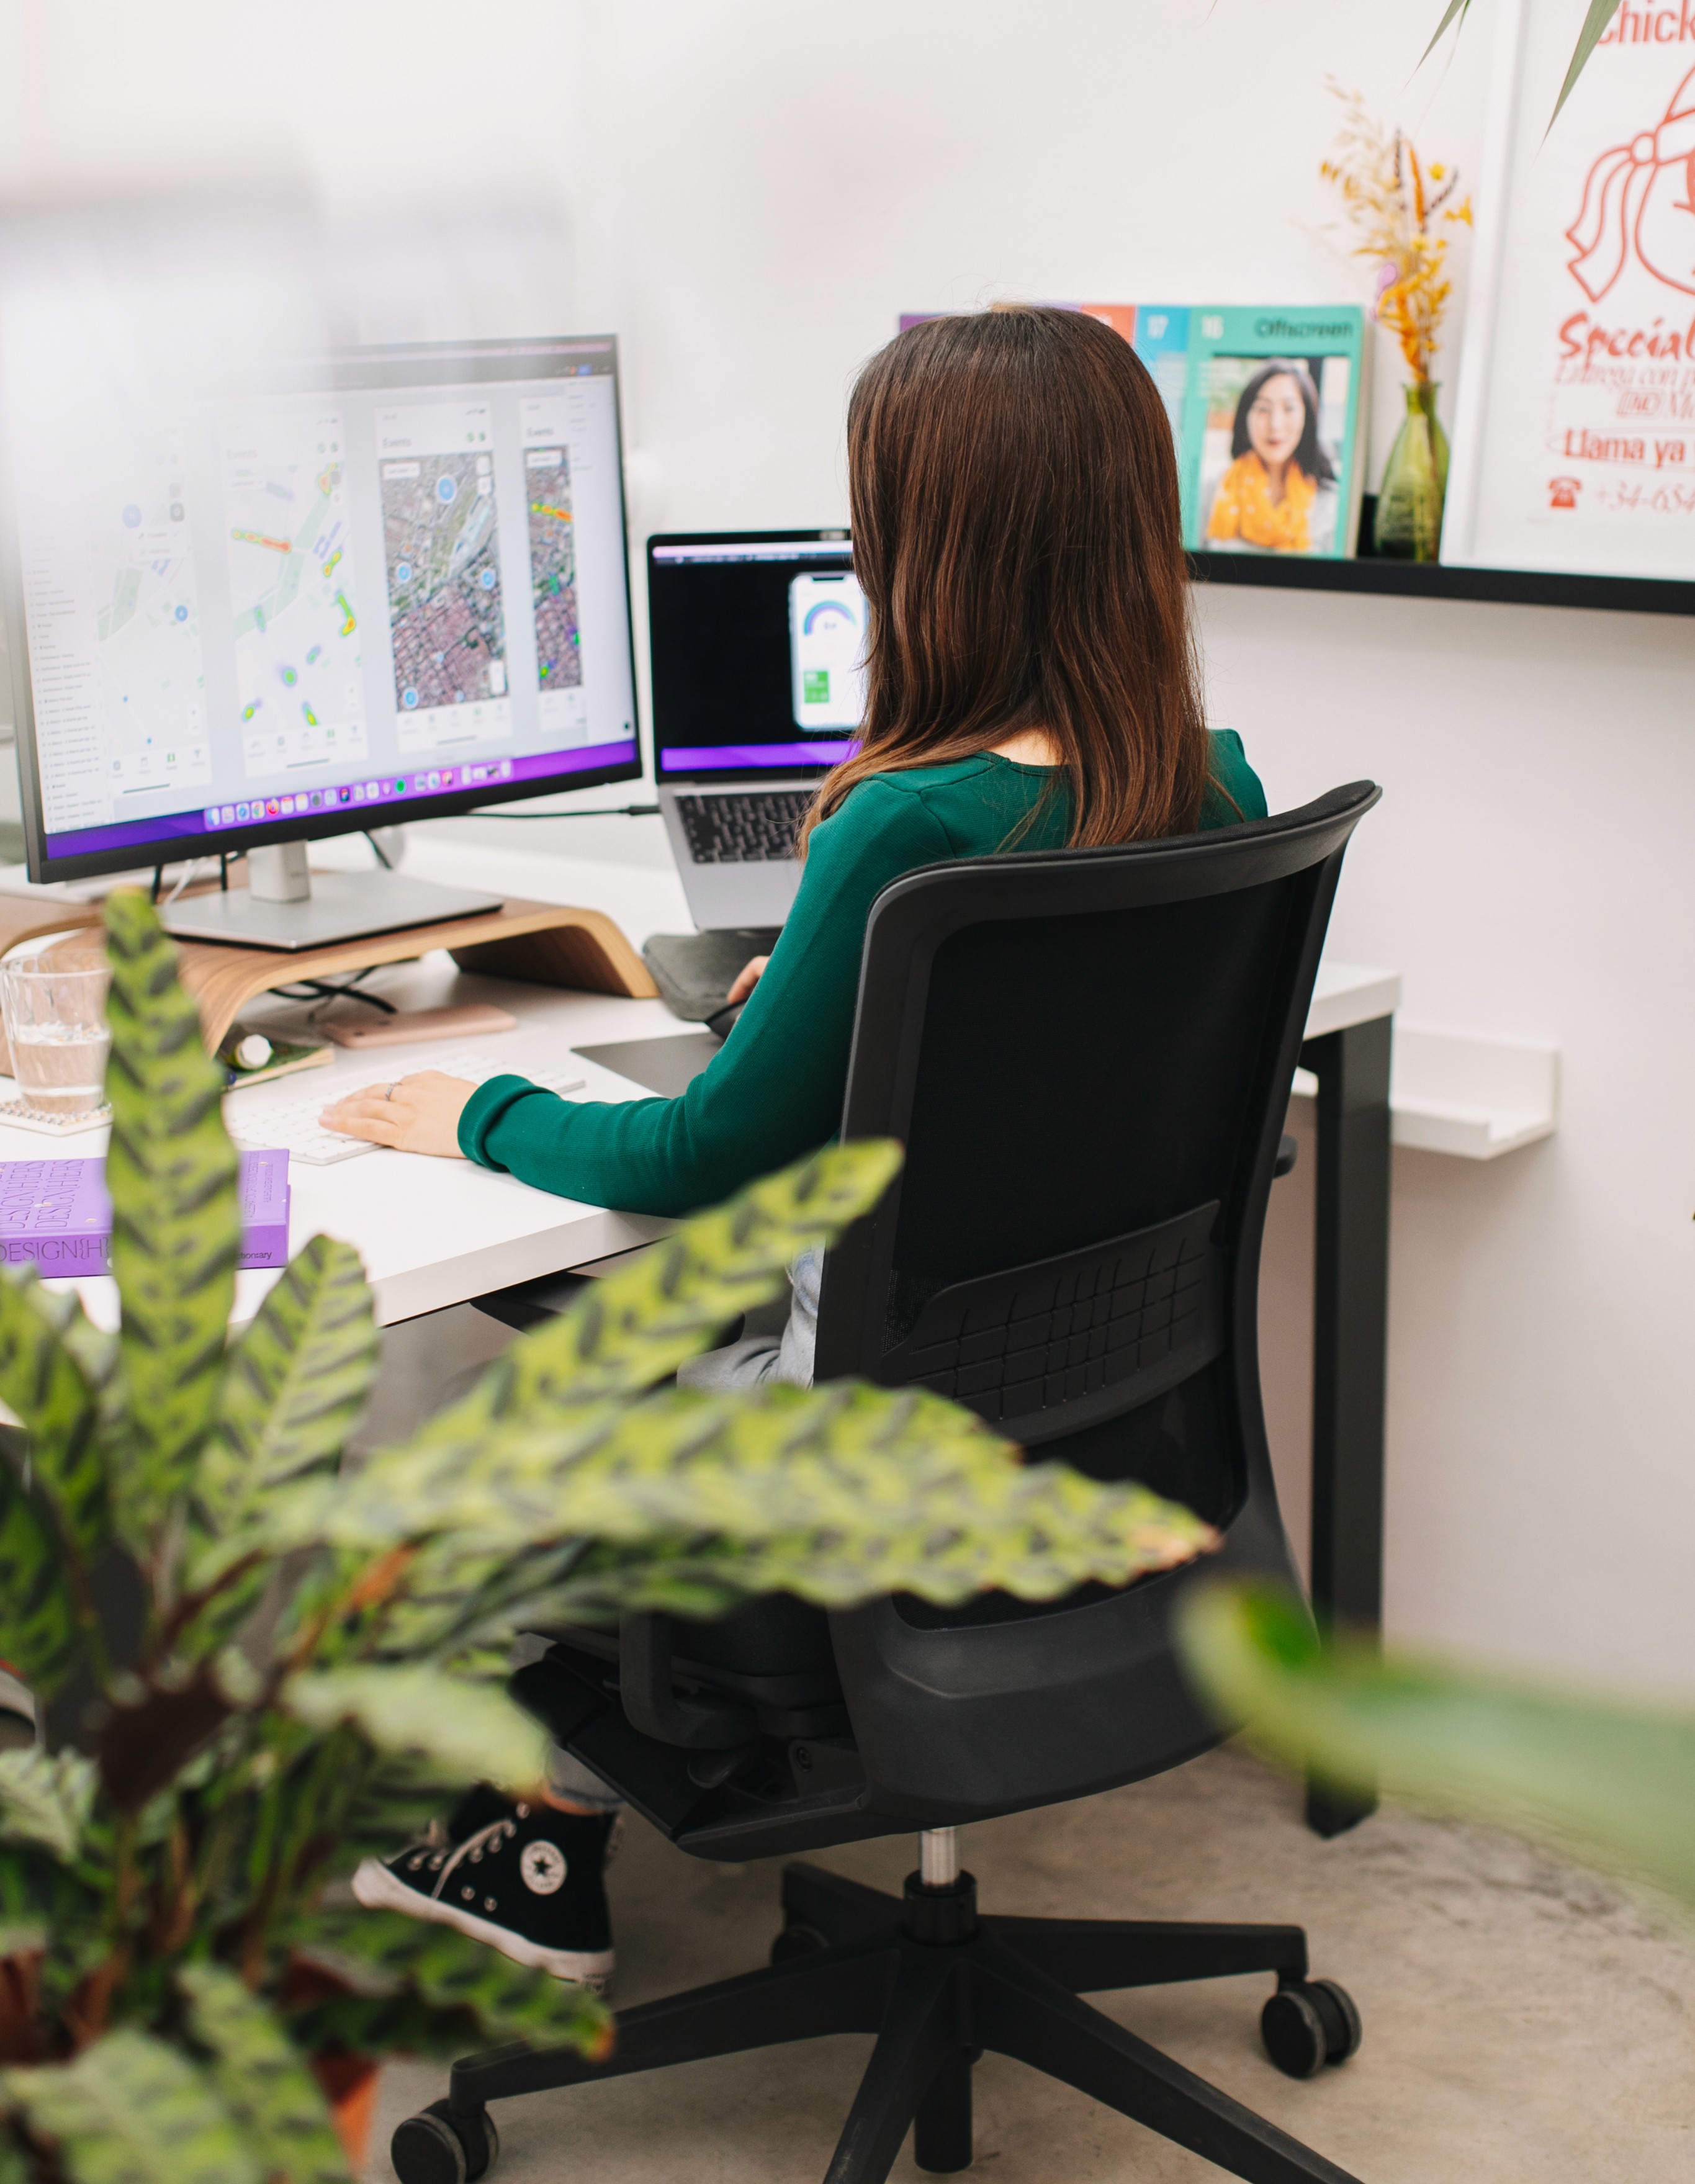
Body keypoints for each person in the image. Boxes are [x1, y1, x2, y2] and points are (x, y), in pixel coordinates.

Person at [326, 305, 1269, 1988]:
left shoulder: (908, 822)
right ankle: (544, 1833)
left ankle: (531, 1847)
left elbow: (701, 1155)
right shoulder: (1215, 789)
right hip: (1101, 1445)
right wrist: (855, 1000)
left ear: (928, 553)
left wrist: (469, 1107)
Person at [1204, 359, 1336, 554]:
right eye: (1263, 409)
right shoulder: (1213, 489)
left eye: (1289, 408)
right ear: (1245, 417)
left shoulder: (1330, 503)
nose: (1275, 424)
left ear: (1307, 418)